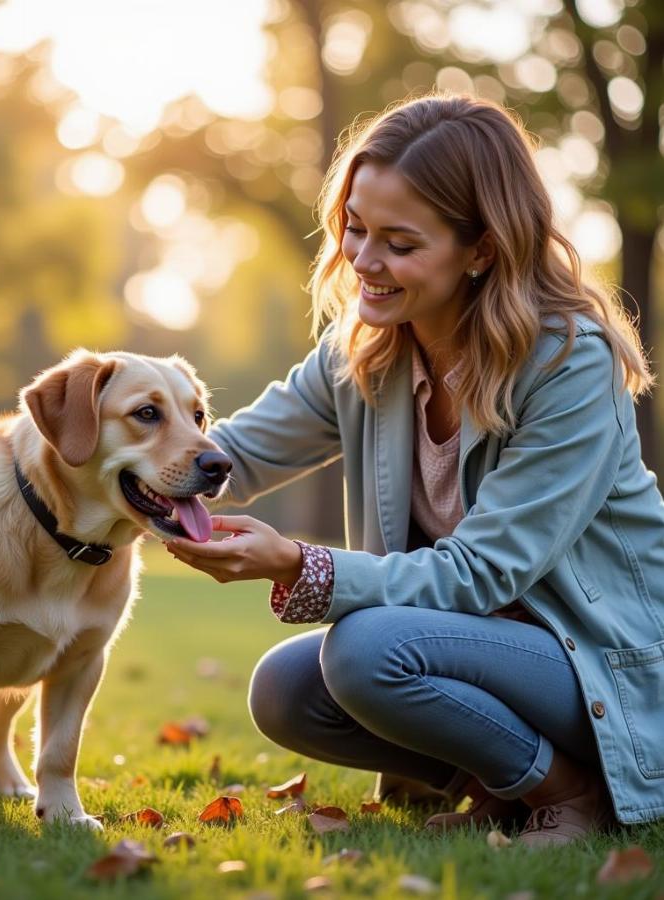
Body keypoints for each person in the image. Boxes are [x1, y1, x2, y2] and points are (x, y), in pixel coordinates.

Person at [165, 93, 664, 846]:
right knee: (286, 691)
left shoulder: (569, 364)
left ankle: (571, 792)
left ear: (482, 249)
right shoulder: (363, 351)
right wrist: (98, 468)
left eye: (399, 243)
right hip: (474, 656)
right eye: (355, 229)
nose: (364, 261)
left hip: (595, 662)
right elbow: (233, 454)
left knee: (365, 651)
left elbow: (482, 573)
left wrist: (298, 564)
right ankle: (505, 781)